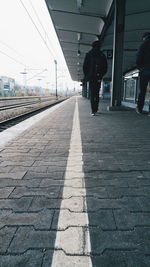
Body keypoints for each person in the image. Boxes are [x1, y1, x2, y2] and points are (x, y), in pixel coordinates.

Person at [83, 40, 107, 115]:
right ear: (99, 46)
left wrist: (87, 75)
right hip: (98, 78)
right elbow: (105, 67)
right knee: (97, 93)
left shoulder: (88, 54)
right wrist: (101, 75)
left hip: (91, 78)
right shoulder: (102, 55)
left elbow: (84, 67)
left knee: (92, 94)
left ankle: (93, 110)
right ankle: (96, 108)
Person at [136, 32, 150, 114]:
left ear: (144, 38)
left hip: (144, 70)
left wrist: (140, 68)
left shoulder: (143, 45)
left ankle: (139, 109)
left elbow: (138, 58)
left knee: (142, 91)